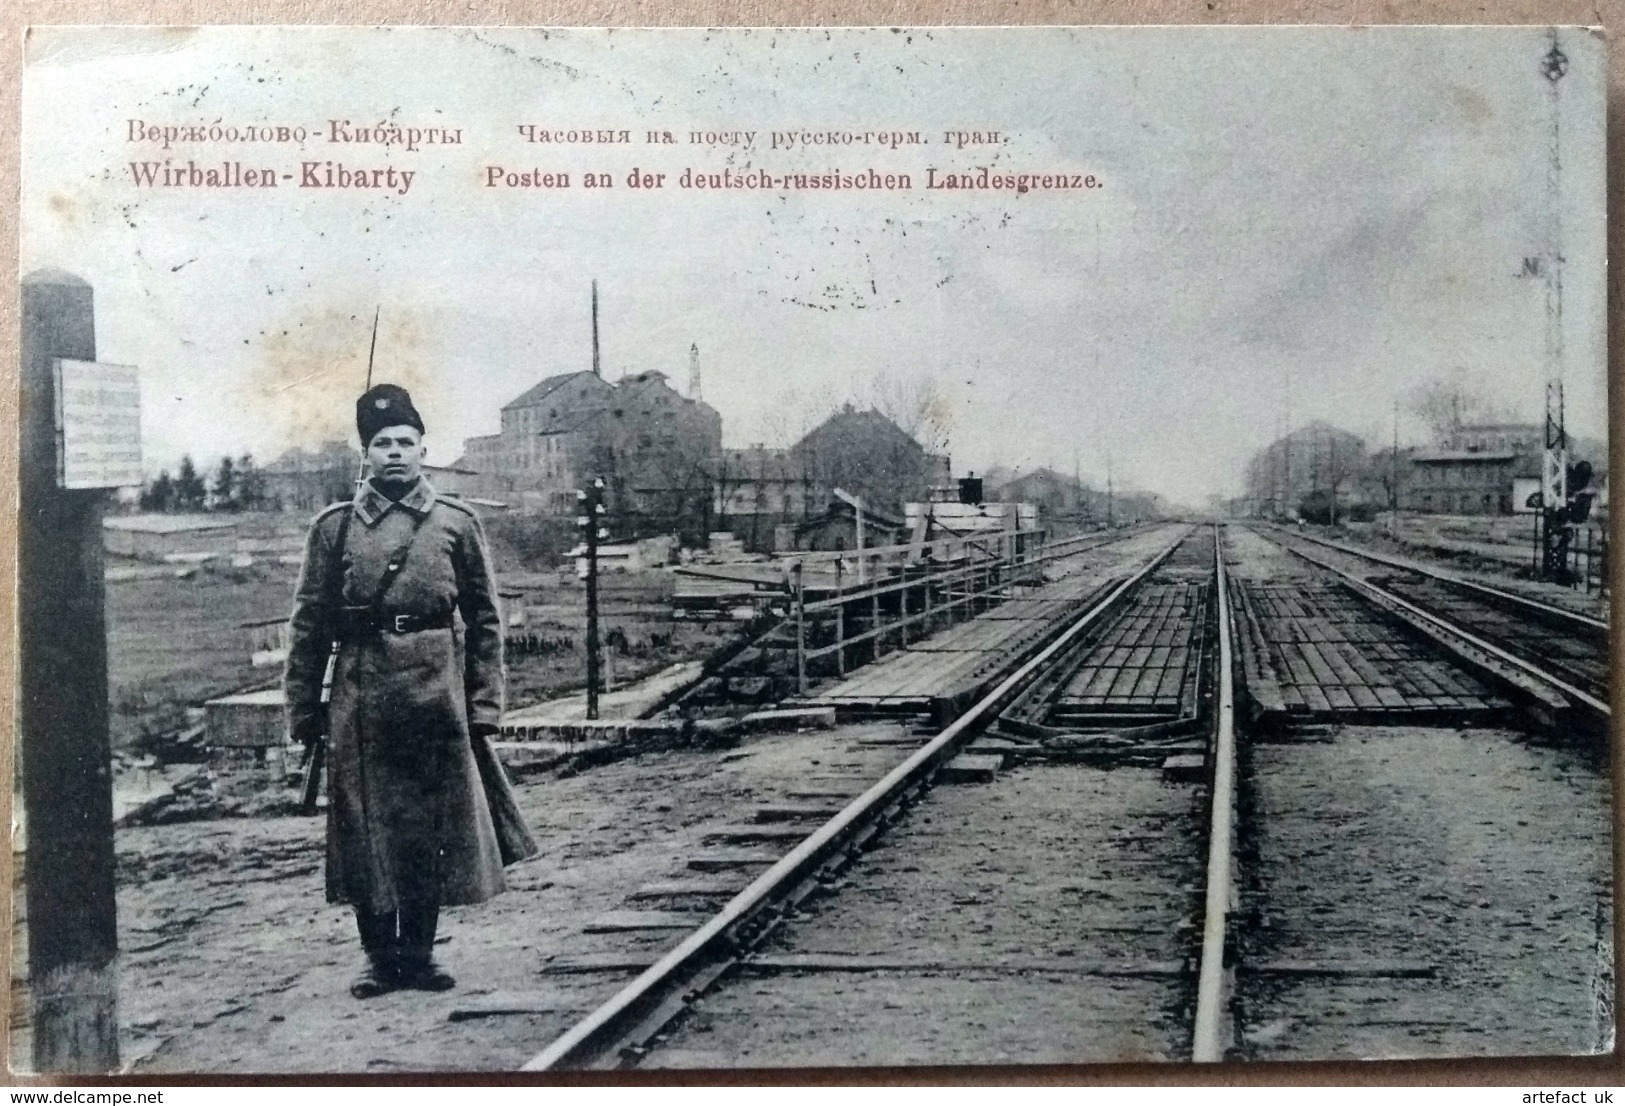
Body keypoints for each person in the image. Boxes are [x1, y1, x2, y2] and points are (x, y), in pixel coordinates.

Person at [285, 383, 537, 999]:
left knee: (428, 829)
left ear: (424, 449)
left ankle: (420, 956)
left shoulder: (456, 523)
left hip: (436, 694)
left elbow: (485, 620)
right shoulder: (334, 529)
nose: (394, 453)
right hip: (360, 700)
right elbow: (308, 623)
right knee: (365, 830)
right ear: (365, 454)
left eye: (405, 442)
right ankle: (379, 960)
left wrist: (484, 704)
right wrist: (303, 709)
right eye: (381, 444)